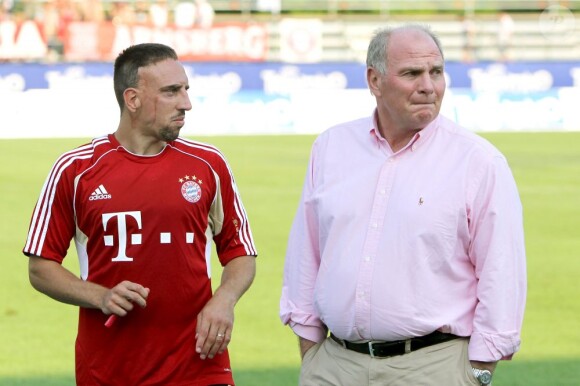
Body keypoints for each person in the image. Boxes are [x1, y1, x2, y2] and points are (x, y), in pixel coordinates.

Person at [280, 24, 526, 386]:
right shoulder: (332, 147)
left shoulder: (478, 162)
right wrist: (310, 350)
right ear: (374, 80)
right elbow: (307, 252)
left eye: (436, 72)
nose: (428, 85)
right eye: (412, 73)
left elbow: (501, 271)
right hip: (333, 366)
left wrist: (479, 372)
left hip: (433, 367)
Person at [23, 43, 257, 386]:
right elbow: (41, 268)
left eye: (186, 90)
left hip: (199, 364)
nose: (186, 103)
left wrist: (224, 300)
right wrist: (100, 296)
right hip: (109, 370)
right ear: (132, 99)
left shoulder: (209, 164)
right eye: (171, 92)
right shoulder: (76, 170)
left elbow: (240, 252)